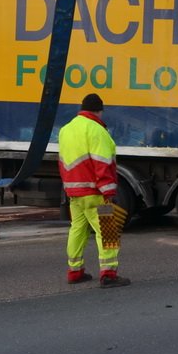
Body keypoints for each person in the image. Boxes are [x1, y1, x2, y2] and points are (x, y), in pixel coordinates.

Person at [58, 93, 130, 288]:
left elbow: (63, 163)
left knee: (77, 230)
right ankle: (108, 274)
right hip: (95, 194)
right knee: (108, 232)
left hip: (74, 193)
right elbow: (103, 164)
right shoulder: (96, 130)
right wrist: (109, 192)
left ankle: (75, 271)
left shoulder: (66, 130)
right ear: (99, 111)